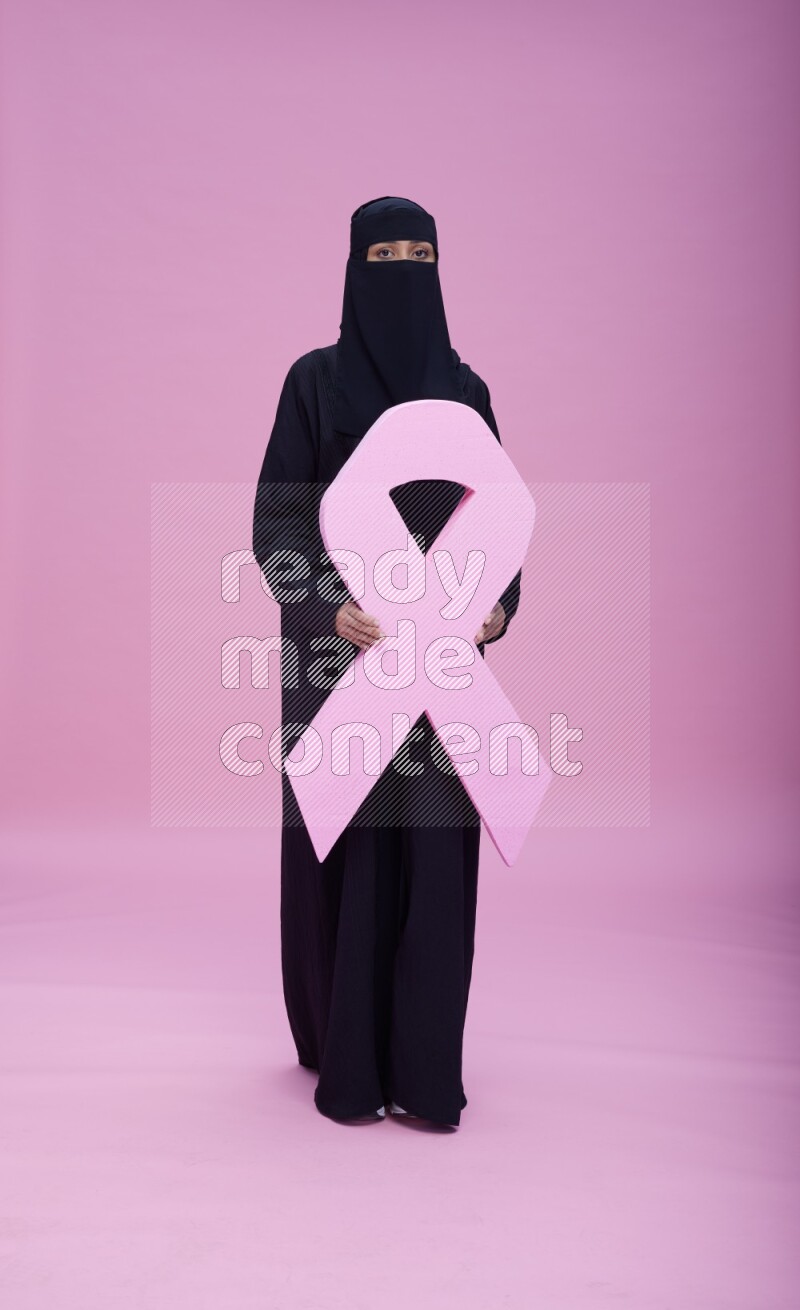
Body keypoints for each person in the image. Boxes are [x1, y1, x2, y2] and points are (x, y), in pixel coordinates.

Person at [252, 196, 522, 1128]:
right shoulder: (314, 384)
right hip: (343, 669)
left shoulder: (467, 392)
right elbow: (278, 522)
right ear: (353, 264)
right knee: (351, 846)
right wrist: (331, 607)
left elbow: (501, 527)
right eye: (385, 251)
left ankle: (423, 1066)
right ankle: (345, 1054)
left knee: (437, 858)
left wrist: (494, 610)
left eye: (421, 252)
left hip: (443, 669)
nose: (403, 269)